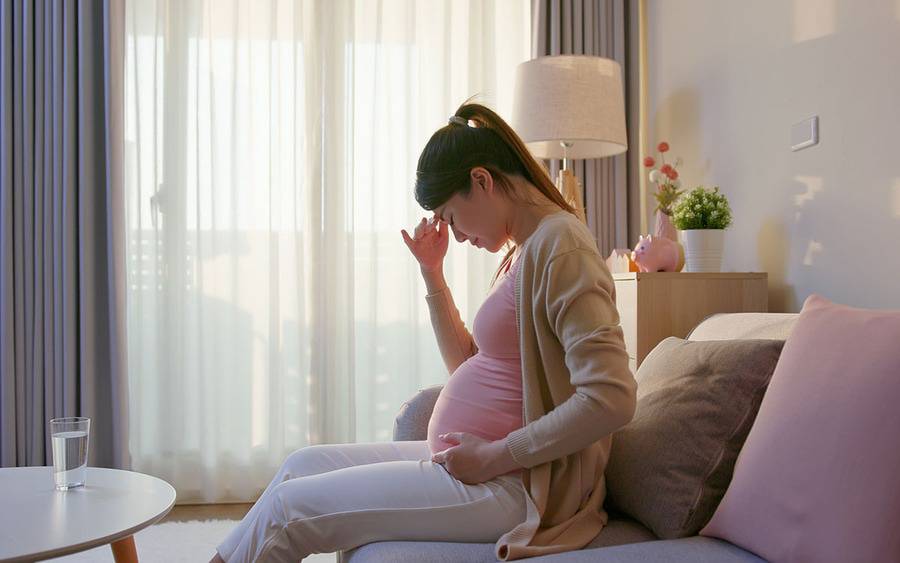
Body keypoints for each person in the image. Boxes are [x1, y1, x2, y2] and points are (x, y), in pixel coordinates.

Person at [211, 102, 637, 562]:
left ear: (481, 181)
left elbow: (611, 397)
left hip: (519, 486)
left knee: (288, 512)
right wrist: (433, 273)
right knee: (300, 466)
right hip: (483, 468)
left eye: (451, 217)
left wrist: (494, 456)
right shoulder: (524, 249)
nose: (454, 235)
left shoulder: (562, 247)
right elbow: (468, 364)